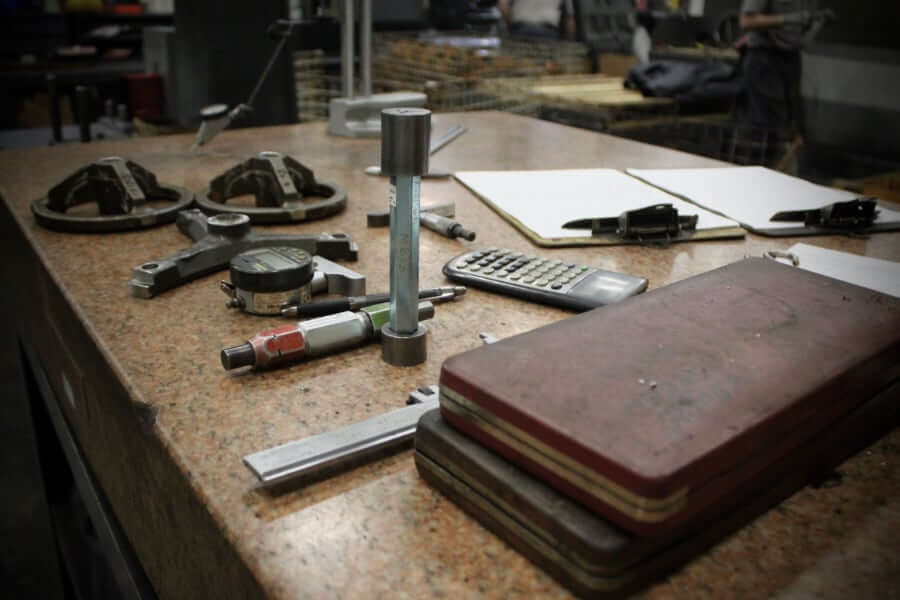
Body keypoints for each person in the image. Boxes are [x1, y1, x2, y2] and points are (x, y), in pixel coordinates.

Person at [738, 1, 834, 140]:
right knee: (769, 125)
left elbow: (802, 42)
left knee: (792, 122)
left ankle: (782, 158)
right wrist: (790, 18)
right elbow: (746, 21)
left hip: (790, 58)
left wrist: (817, 22)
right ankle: (762, 159)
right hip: (765, 57)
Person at [498, 0, 576, 40]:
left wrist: (509, 23)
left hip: (519, 30)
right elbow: (569, 18)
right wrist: (569, 39)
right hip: (548, 33)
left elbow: (503, 5)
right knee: (545, 67)